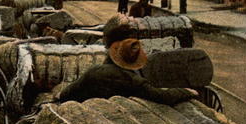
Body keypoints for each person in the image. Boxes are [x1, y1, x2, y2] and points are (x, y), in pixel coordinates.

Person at [54, 37, 198, 105]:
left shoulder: (94, 71)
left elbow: (74, 88)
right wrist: (186, 91)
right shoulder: (133, 81)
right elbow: (162, 97)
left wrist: (60, 95)